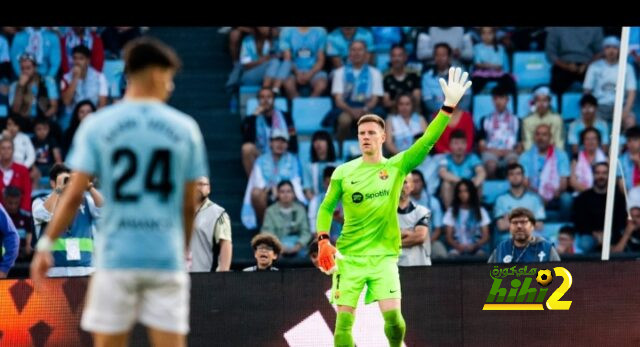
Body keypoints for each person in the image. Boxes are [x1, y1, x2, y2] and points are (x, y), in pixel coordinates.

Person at [30, 37, 207, 347]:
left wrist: (46, 244)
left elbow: (71, 196)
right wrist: (181, 248)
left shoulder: (98, 125)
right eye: (167, 78)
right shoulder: (184, 128)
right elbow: (188, 203)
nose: (170, 87)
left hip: (115, 258)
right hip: (163, 256)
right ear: (152, 74)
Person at [315, 67, 471, 347]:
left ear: (382, 137)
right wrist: (324, 240)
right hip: (349, 257)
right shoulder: (343, 172)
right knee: (342, 326)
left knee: (394, 322)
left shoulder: (396, 166)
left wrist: (447, 107)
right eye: (361, 133)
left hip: (385, 256)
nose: (365, 137)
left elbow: (426, 142)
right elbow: (326, 208)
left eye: (371, 133)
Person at [188, 176, 232, 272]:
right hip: (179, 277)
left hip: (204, 277)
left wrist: (223, 276)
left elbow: (225, 245)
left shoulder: (218, 214)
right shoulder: (177, 211)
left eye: (201, 184)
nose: (197, 188)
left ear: (209, 189)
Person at [488, 208, 561, 264]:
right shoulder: (501, 249)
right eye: (515, 223)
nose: (519, 226)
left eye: (523, 222)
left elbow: (557, 278)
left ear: (532, 226)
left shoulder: (547, 248)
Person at [443, 179, 490, 256]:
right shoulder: (451, 211)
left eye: (466, 191)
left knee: (481, 255)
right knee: (452, 255)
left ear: (471, 192)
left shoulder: (481, 211)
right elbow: (448, 237)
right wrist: (457, 246)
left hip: (477, 247)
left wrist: (475, 246)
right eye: (460, 191)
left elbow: (486, 236)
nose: (463, 194)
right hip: (457, 247)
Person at [398, 174, 431, 266]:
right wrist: (409, 233)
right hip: (395, 267)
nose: (401, 186)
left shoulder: (423, 211)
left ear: (412, 186)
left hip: (419, 268)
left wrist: (393, 243)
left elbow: (419, 237)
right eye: (398, 182)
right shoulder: (386, 213)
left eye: (404, 182)